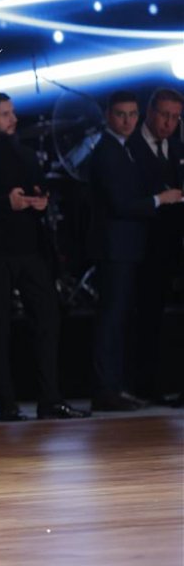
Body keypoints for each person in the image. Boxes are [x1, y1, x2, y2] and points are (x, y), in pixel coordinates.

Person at [0, 92, 89, 421]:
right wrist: (5, 203)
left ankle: (50, 399)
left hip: (30, 248)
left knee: (48, 320)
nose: (13, 118)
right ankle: (7, 403)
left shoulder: (27, 155)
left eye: (12, 112)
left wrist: (40, 202)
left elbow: (38, 191)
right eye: (4, 114)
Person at [88, 91, 181, 410]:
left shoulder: (122, 148)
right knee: (112, 319)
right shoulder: (108, 150)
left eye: (132, 115)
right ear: (108, 116)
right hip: (117, 248)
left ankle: (115, 387)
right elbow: (119, 203)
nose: (127, 121)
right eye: (121, 114)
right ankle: (107, 389)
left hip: (131, 247)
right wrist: (159, 199)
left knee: (119, 319)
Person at [126, 88, 184, 404]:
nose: (169, 123)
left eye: (175, 117)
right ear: (149, 112)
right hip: (142, 245)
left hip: (172, 244)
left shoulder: (176, 147)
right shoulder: (129, 146)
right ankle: (145, 385)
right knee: (147, 316)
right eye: (164, 115)